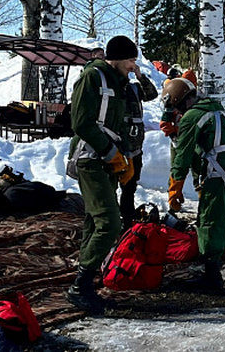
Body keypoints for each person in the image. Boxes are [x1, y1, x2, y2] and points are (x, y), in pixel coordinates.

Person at [66, 35, 137, 313]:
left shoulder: (118, 83)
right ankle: (80, 285)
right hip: (90, 158)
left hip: (106, 160)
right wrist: (110, 152)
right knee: (109, 221)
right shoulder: (93, 77)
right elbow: (81, 122)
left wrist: (126, 156)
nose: (133, 66)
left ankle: (85, 284)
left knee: (94, 222)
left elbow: (118, 124)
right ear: (117, 58)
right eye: (131, 60)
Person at [164, 78, 225, 289]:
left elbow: (182, 155)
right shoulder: (219, 110)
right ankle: (215, 265)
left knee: (209, 221)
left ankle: (211, 275)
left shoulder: (193, 116)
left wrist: (175, 186)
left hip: (219, 174)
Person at [117, 64, 158, 231]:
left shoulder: (134, 89)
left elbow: (152, 94)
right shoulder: (111, 90)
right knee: (112, 186)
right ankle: (115, 220)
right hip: (117, 147)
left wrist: (140, 76)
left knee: (130, 188)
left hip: (135, 148)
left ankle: (127, 221)